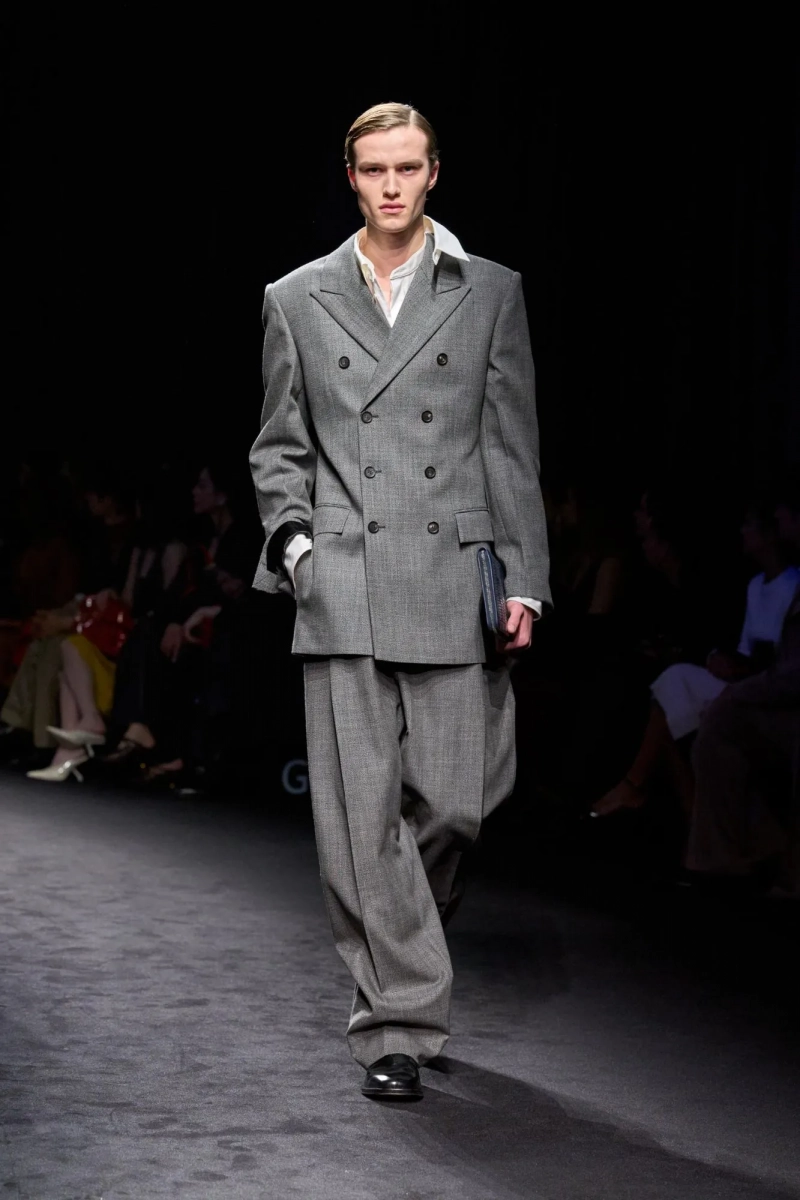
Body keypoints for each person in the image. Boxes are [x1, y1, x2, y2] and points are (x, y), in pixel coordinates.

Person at [249, 103, 550, 1100]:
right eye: (373, 169)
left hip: (452, 577)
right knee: (356, 819)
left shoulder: (490, 291)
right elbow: (278, 445)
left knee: (458, 808)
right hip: (343, 578)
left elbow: (509, 445)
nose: (390, 186)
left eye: (407, 168)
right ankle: (396, 1025)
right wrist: (297, 547)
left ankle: (396, 952)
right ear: (350, 176)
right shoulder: (297, 297)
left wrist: (526, 578)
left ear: (433, 174)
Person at [592, 504, 800, 817]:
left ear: (769, 534)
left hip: (768, 687)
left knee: (670, 702)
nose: (742, 531)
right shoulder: (755, 585)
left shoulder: (794, 584)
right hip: (743, 677)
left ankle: (646, 790)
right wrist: (722, 660)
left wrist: (746, 669)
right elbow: (745, 648)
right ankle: (680, 804)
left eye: (749, 525)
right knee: (672, 682)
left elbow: (784, 662)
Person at [686, 491, 800, 893]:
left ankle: (760, 852)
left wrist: (743, 687)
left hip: (776, 692)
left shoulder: (793, 582)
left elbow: (787, 669)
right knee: (708, 713)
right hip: (764, 685)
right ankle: (730, 851)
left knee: (719, 714)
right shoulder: (757, 586)